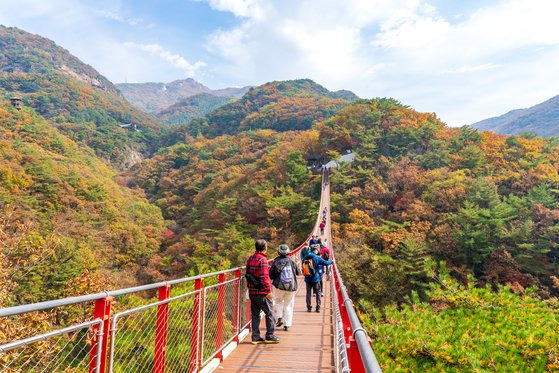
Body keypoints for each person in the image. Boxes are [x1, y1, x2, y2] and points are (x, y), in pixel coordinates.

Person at [246, 239, 280, 344]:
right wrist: (268, 291)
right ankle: (270, 335)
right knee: (270, 313)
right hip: (262, 293)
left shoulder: (251, 258)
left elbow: (247, 273)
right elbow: (265, 278)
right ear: (265, 247)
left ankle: (255, 337)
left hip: (252, 291)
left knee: (255, 314)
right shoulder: (263, 260)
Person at [270, 244, 300, 331]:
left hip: (279, 286)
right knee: (289, 305)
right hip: (291, 287)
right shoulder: (291, 262)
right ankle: (287, 325)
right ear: (288, 252)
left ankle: (279, 317)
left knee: (278, 301)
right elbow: (298, 272)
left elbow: (271, 275)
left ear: (279, 252)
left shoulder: (276, 262)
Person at [303, 245, 333, 312]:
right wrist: (332, 261)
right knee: (318, 292)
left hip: (307, 278)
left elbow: (303, 265)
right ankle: (318, 307)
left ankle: (309, 307)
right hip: (315, 278)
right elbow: (326, 263)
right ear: (316, 250)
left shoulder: (305, 257)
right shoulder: (317, 258)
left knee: (308, 293)